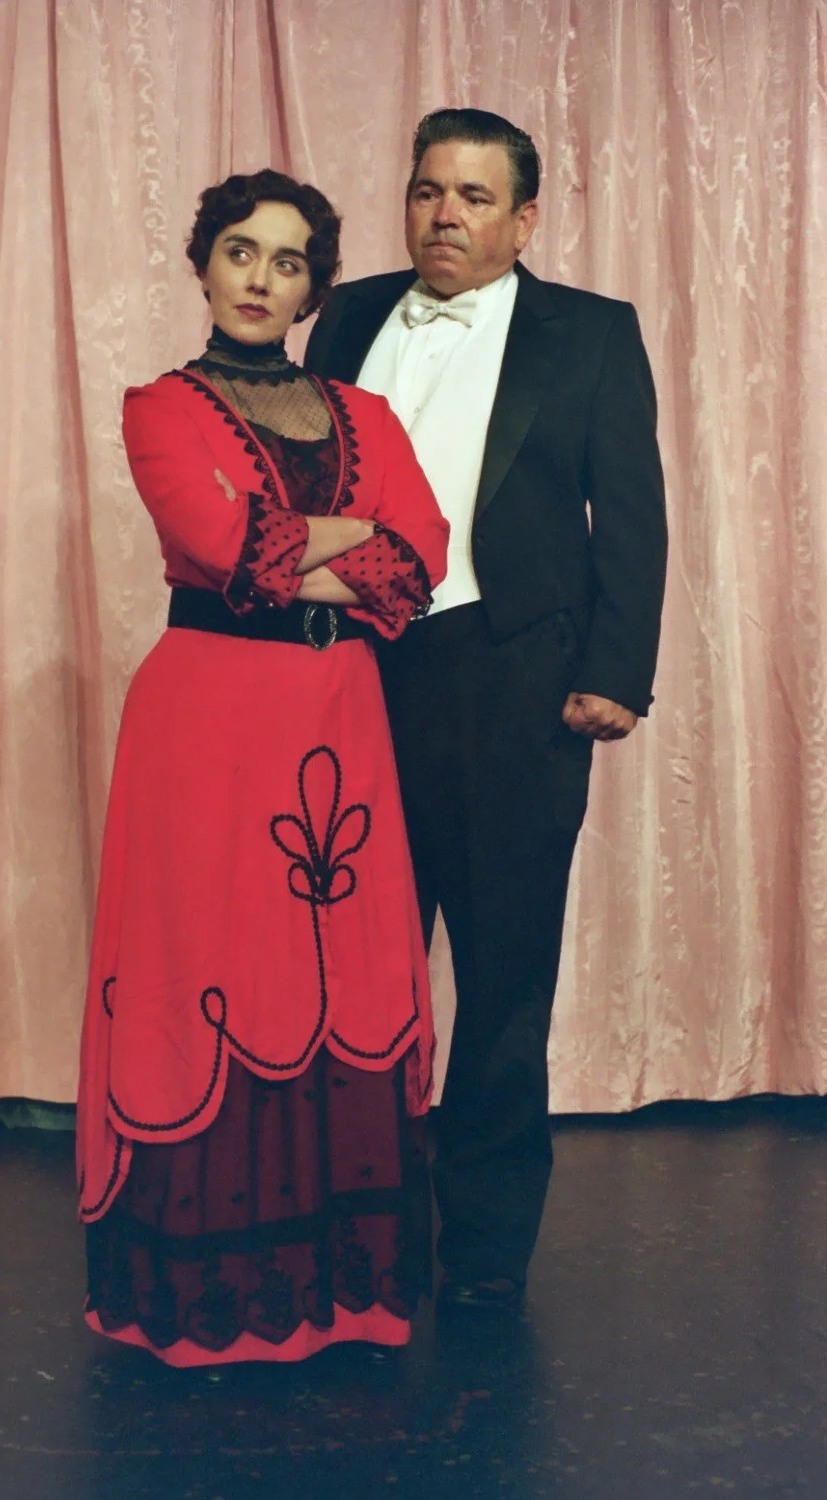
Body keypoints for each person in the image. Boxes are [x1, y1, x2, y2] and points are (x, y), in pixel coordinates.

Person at [76, 169, 450, 1367]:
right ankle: (215, 1292)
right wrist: (337, 541)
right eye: (241, 251)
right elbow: (213, 539)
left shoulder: (368, 415)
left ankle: (342, 1292)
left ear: (311, 287)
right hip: (206, 720)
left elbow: (423, 555)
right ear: (202, 264)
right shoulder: (159, 407)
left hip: (340, 715)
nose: (260, 278)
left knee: (339, 966)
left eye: (288, 262)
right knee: (212, 965)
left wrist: (285, 548)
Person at [305, 108, 667, 1312]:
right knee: (352, 972)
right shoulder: (347, 314)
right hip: (354, 676)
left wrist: (616, 669)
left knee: (504, 979)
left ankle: (485, 1251)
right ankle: (353, 1221)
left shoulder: (593, 334)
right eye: (425, 191)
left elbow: (631, 512)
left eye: (470, 196)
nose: (442, 215)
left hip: (515, 683)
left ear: (522, 218)